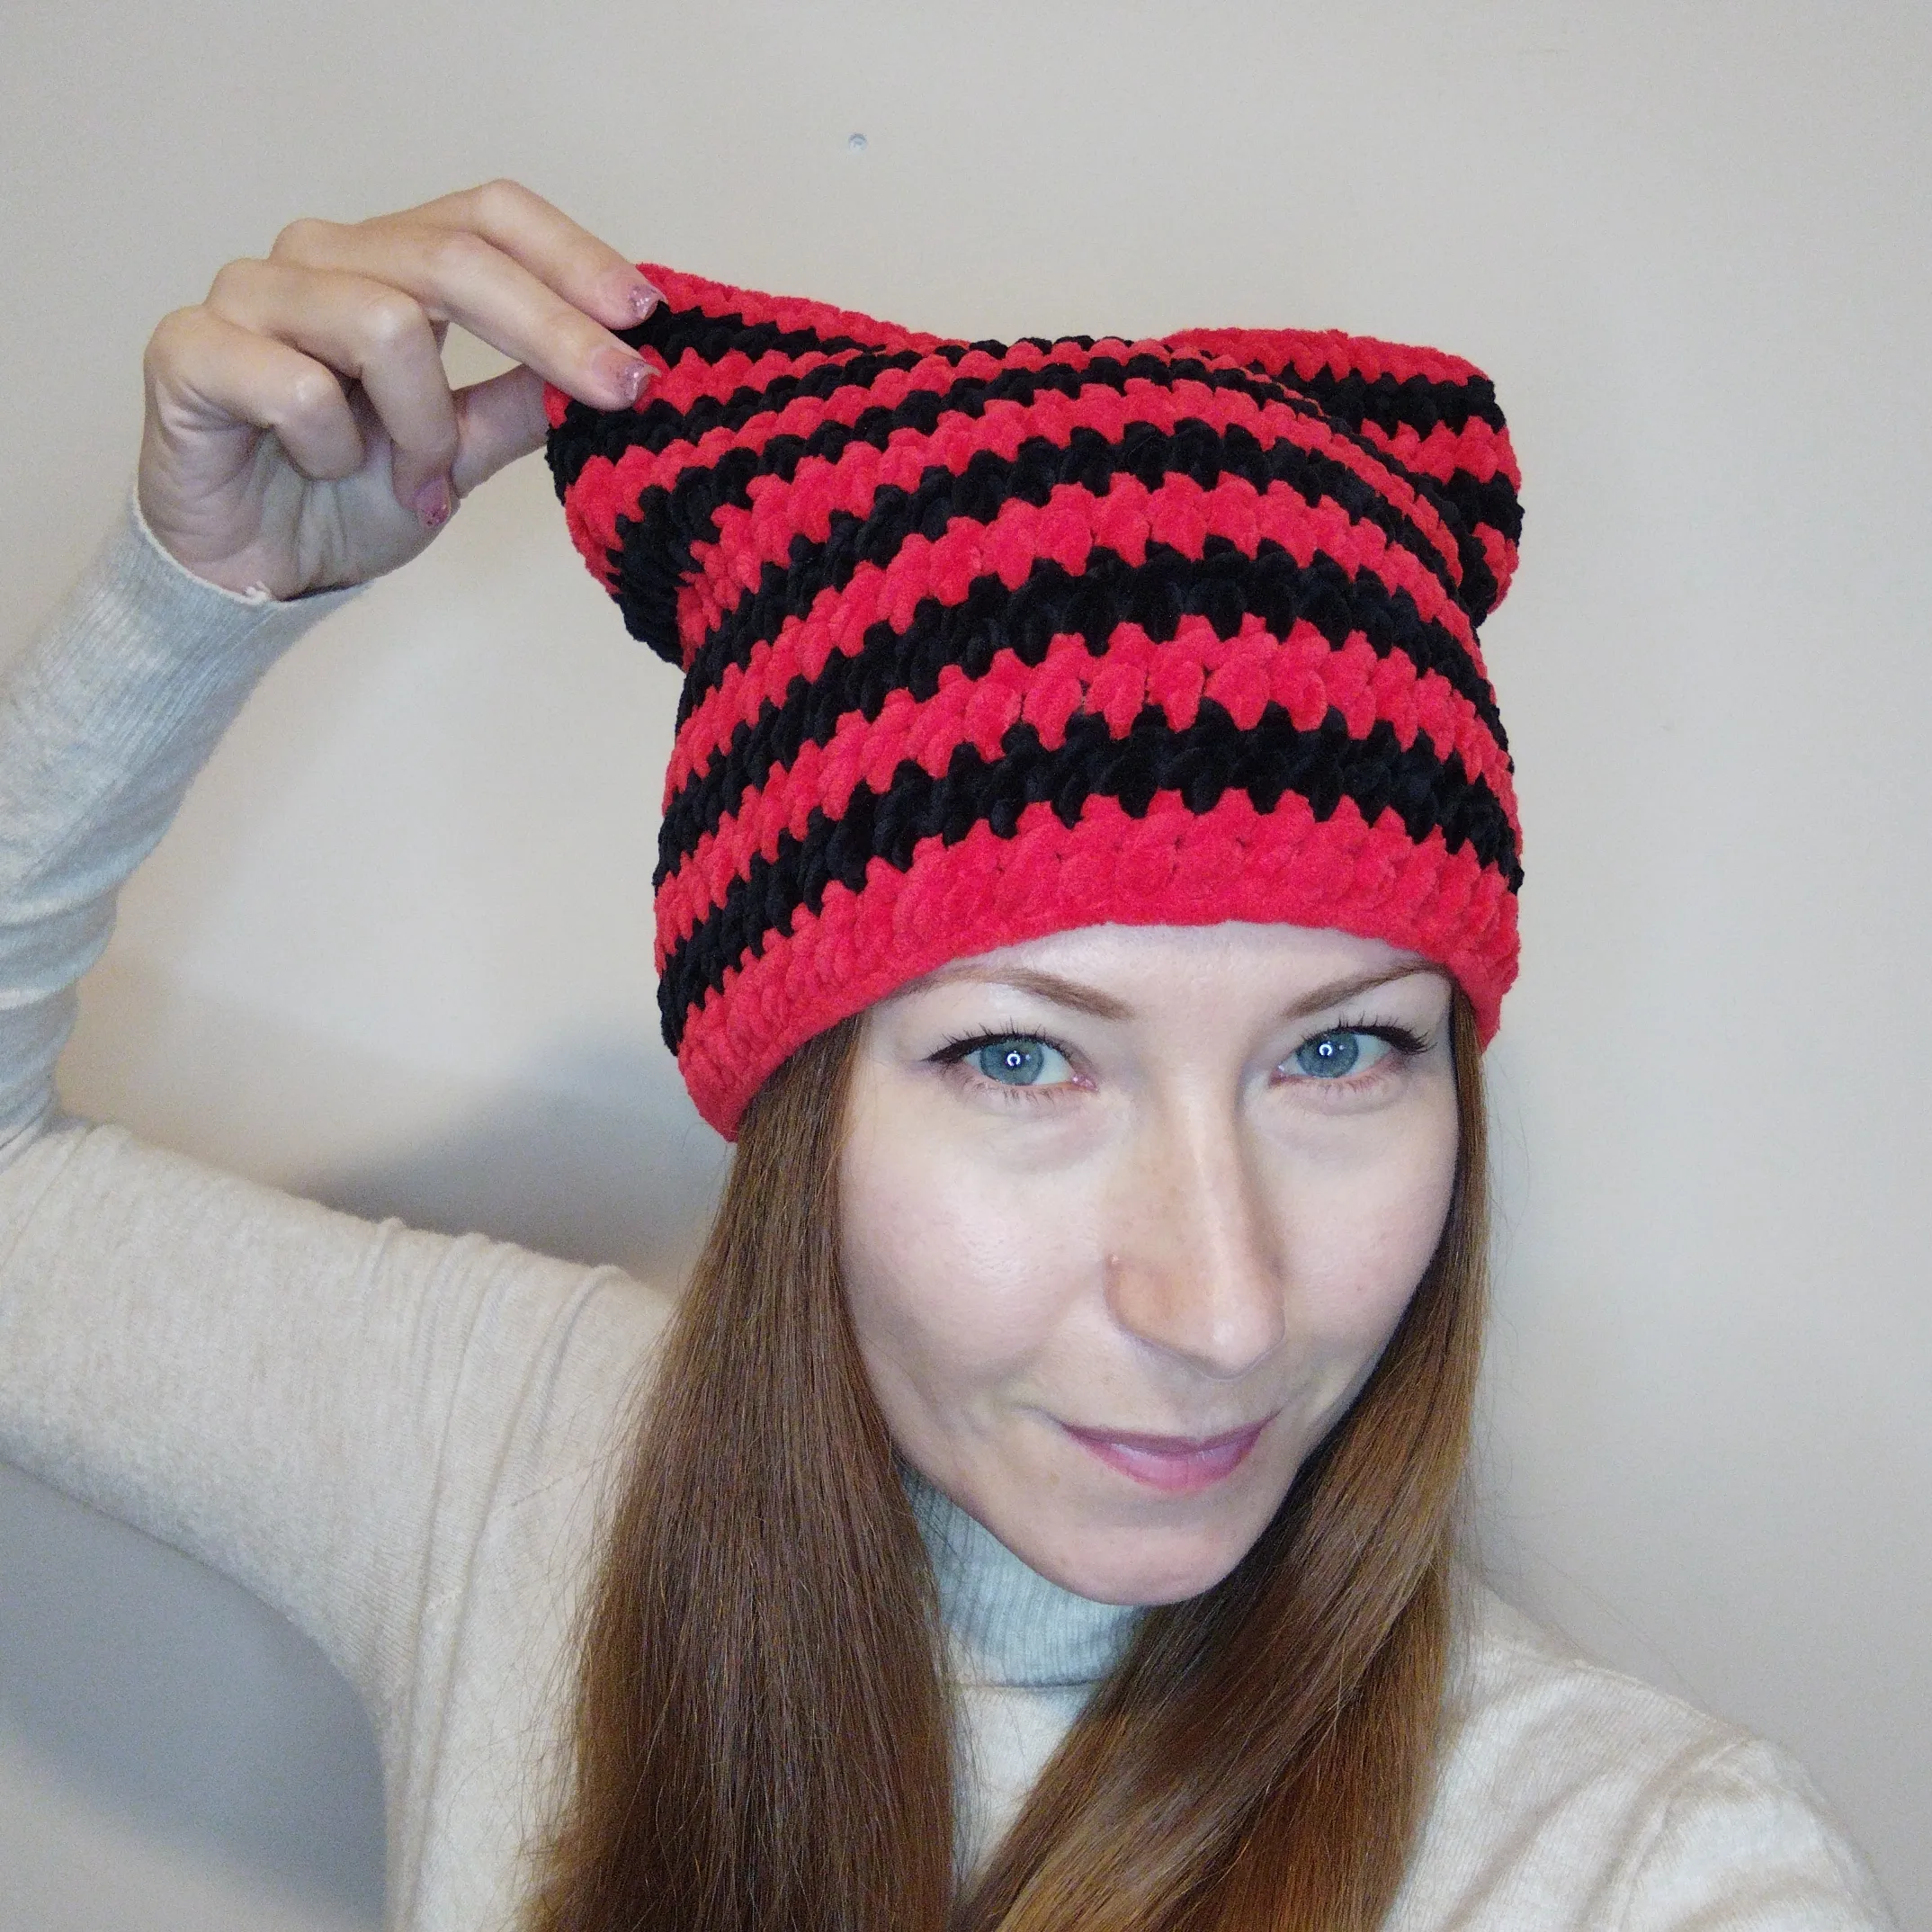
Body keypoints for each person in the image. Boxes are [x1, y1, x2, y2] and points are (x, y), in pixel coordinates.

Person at [0, 181, 1896, 1932]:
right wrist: (187, 605)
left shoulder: (1653, 1868)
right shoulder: (508, 1464)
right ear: (801, 1104)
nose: (1223, 1309)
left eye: (1341, 1052)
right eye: (1019, 1062)